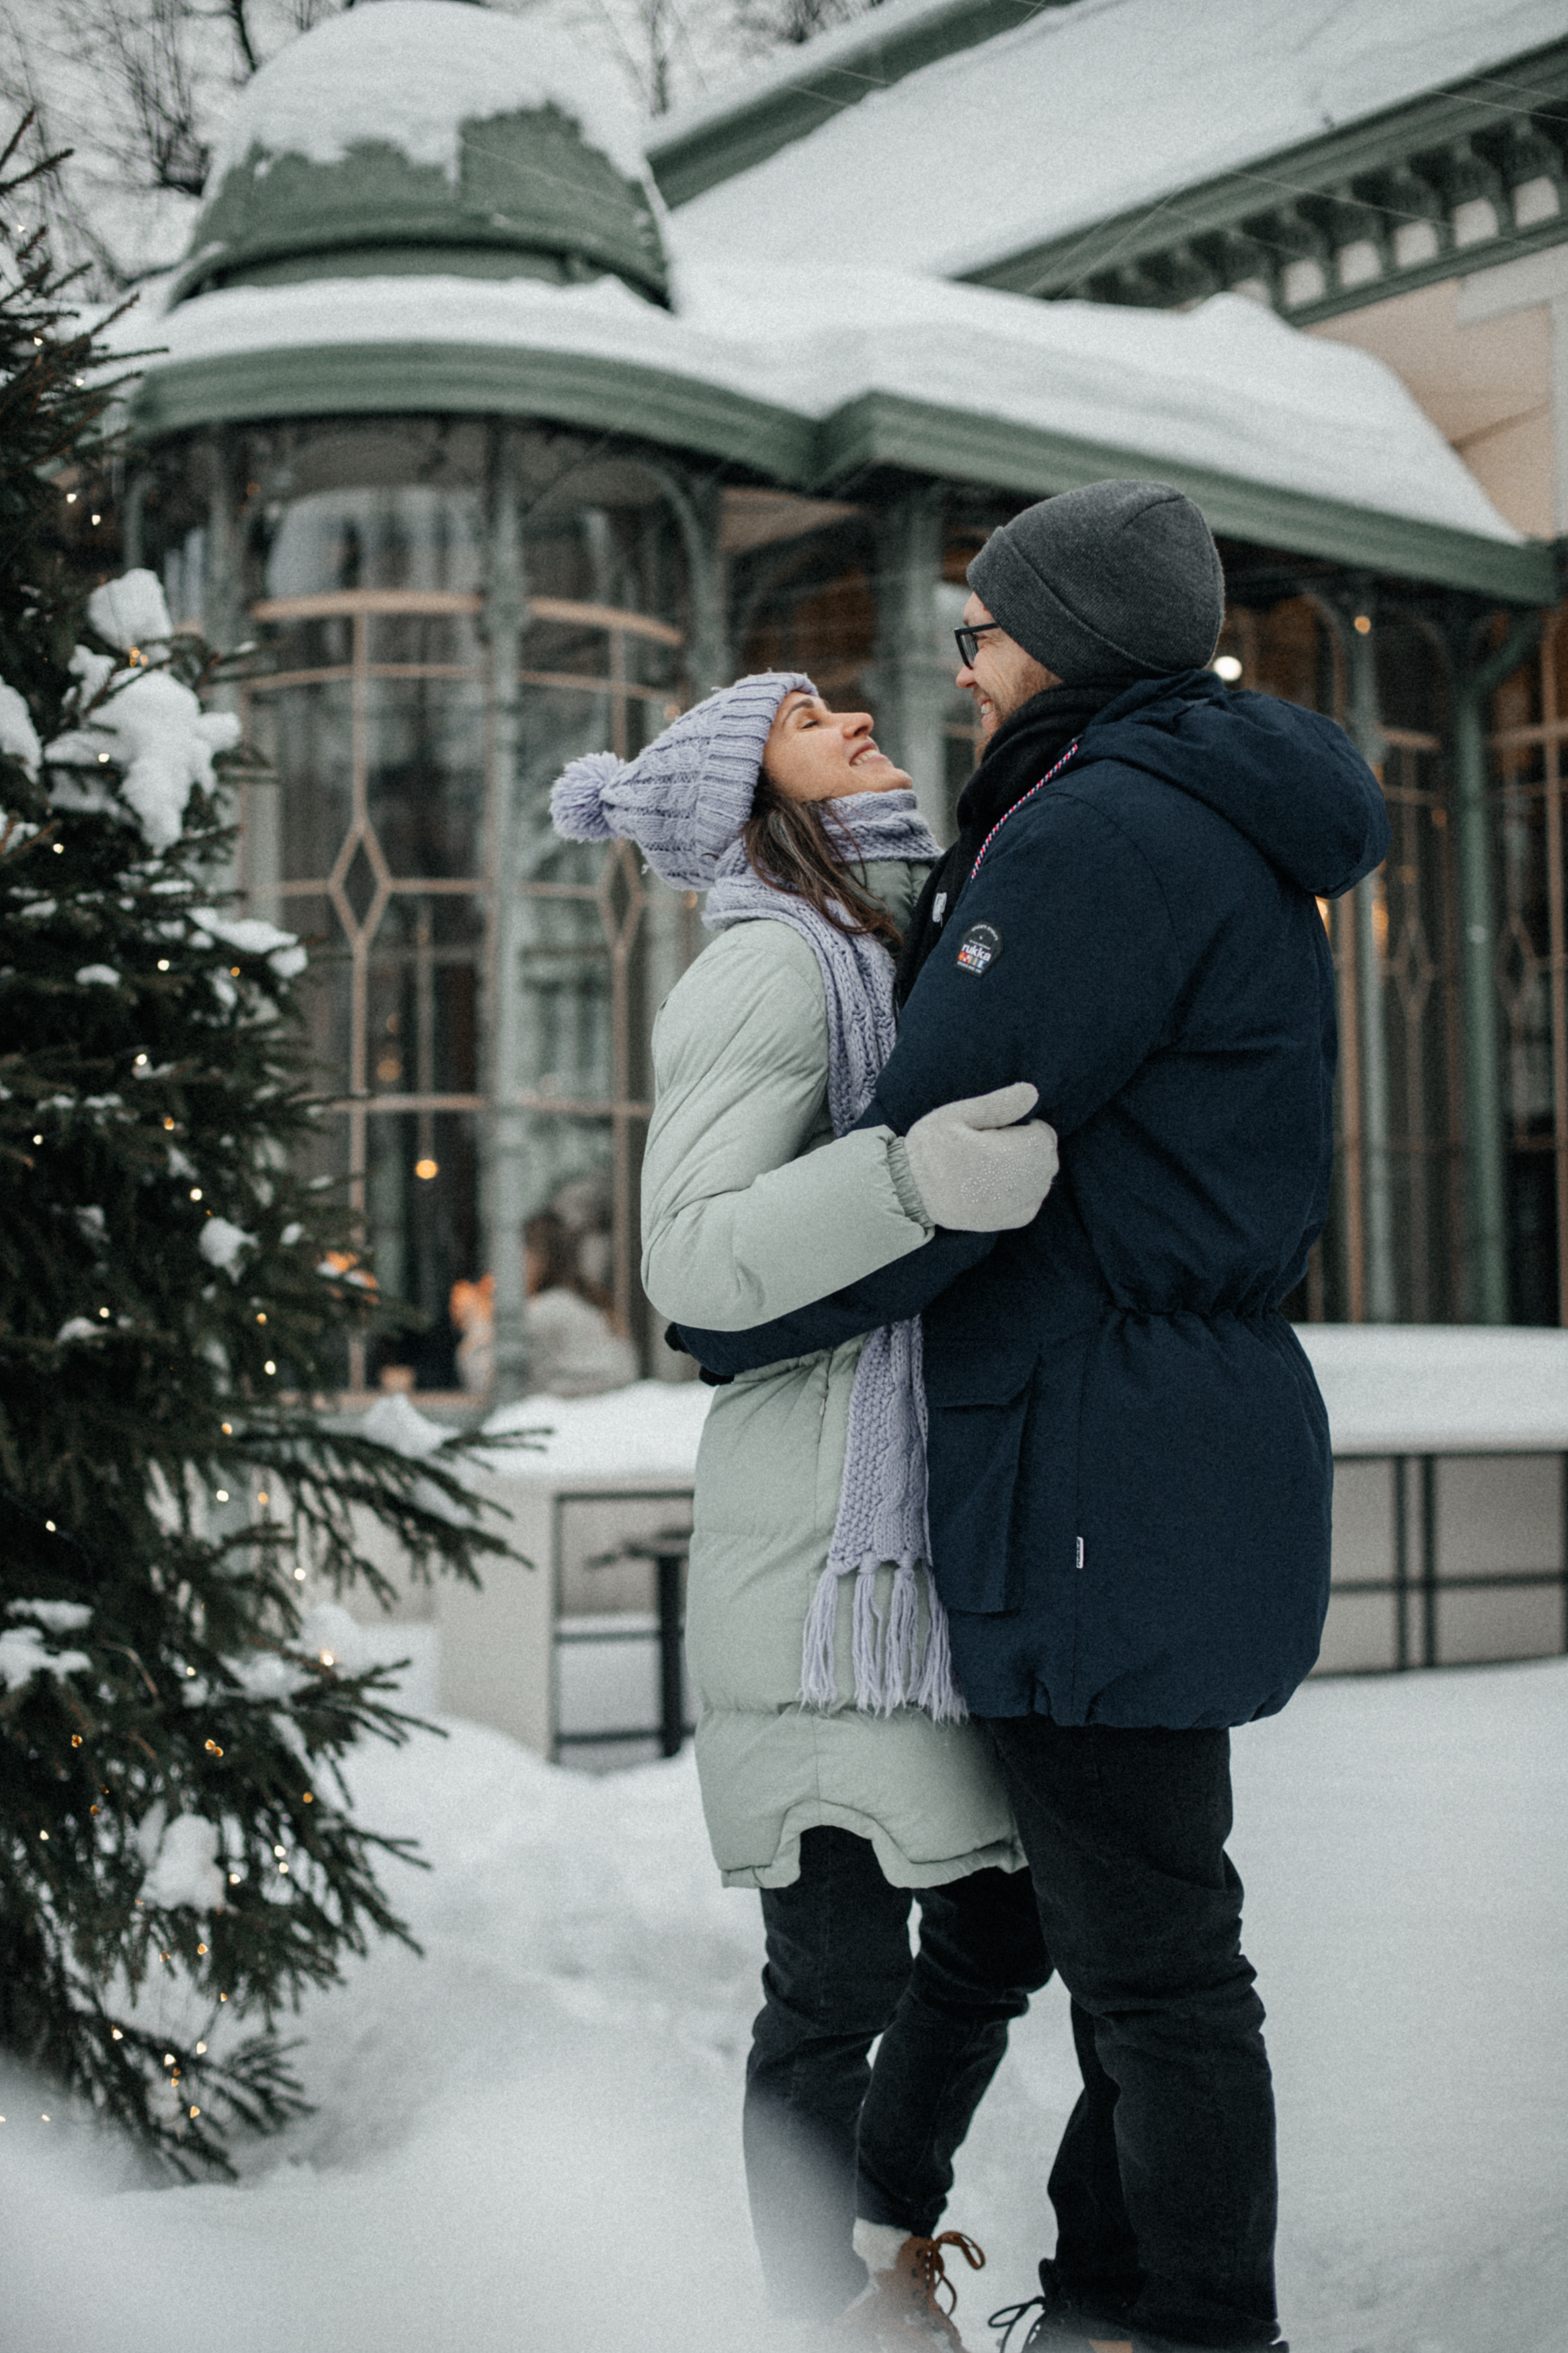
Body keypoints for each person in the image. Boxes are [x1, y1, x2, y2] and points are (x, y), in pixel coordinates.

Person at [669, 481, 1391, 2353]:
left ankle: (1177, 2319)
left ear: (1065, 633)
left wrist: (747, 1316)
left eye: (983, 628)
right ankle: (1080, 2290)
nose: (956, 664)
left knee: (1147, 1967)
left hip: (1085, 1459)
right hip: (1168, 1427)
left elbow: (952, 1127)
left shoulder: (1093, 838)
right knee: (1103, 1939)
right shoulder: (1195, 807)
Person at [549, 675, 1059, 2348]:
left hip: (912, 1529)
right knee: (833, 1984)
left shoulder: (902, 940)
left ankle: (870, 2227)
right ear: (739, 787)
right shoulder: (773, 961)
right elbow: (690, 1254)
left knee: (1002, 1921)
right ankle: (819, 2312)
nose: (850, 715)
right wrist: (912, 1182)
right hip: (821, 1546)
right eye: (800, 714)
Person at [520, 1209, 638, 1396]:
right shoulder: (594, 1301)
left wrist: (478, 1326)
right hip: (611, 1407)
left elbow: (495, 1385)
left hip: (574, 1414)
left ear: (536, 1258)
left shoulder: (544, 1310)